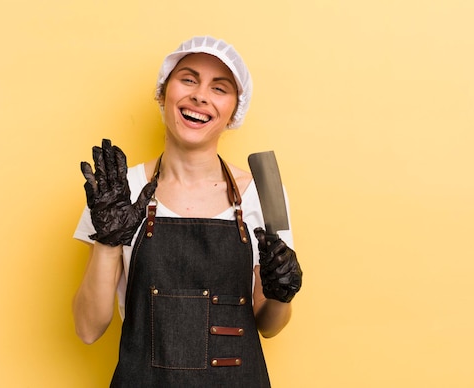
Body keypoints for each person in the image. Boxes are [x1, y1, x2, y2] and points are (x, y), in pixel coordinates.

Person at [72, 36, 302, 387]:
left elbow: (269, 326)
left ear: (234, 111)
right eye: (189, 79)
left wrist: (281, 295)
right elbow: (88, 329)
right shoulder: (118, 192)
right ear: (163, 93)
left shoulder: (262, 195)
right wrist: (108, 240)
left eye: (219, 88)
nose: (200, 95)